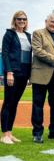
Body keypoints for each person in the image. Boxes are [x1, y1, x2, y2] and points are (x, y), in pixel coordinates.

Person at [30, 13, 54, 143]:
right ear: (46, 21)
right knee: (38, 104)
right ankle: (37, 133)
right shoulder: (38, 33)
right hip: (41, 75)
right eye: (52, 22)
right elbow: (38, 51)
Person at [1, 11, 31, 144]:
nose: (22, 21)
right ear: (15, 20)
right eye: (19, 19)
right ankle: (4, 135)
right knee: (8, 103)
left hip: (24, 74)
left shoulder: (28, 36)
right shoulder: (9, 34)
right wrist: (8, 72)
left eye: (24, 19)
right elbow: (5, 53)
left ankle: (10, 133)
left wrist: (30, 74)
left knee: (15, 104)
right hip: (13, 73)